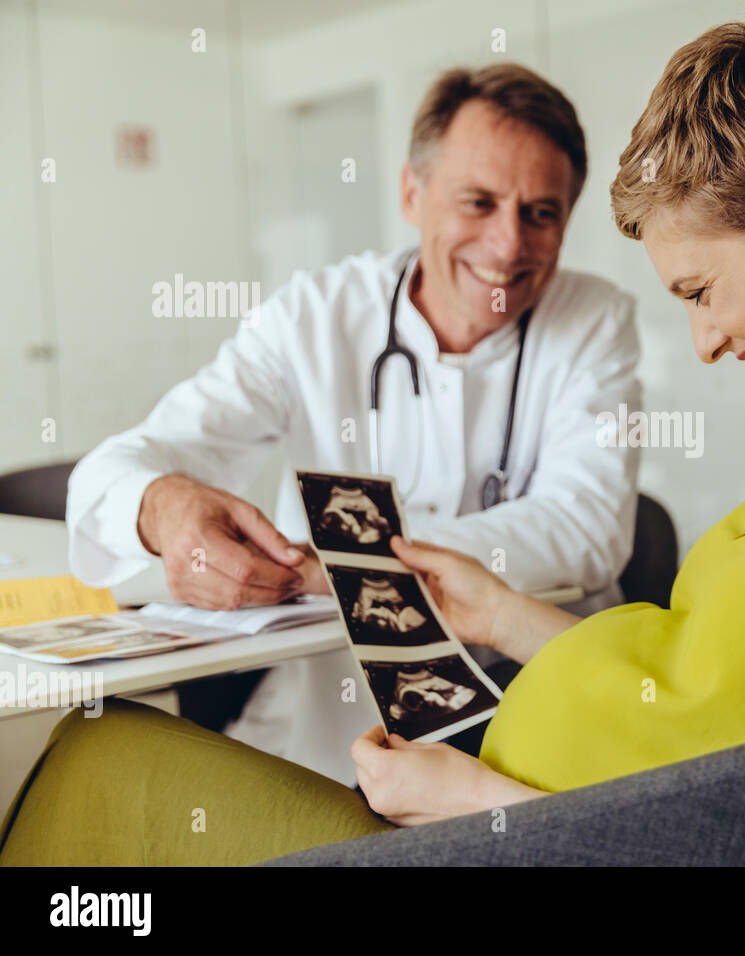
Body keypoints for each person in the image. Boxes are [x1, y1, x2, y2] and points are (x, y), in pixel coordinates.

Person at [1, 6, 745, 865]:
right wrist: (505, 608)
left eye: (700, 289)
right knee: (110, 757)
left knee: (104, 767)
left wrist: (482, 802)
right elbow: (705, 697)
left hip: (518, 831)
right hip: (495, 803)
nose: (698, 342)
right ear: (413, 194)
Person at [61, 64, 642, 785]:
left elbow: (589, 530)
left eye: (541, 212)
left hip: (531, 704)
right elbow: (116, 469)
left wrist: (344, 566)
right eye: (478, 202)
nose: (507, 245)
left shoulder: (595, 319)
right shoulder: (313, 316)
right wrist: (163, 508)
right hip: (333, 714)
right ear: (411, 193)